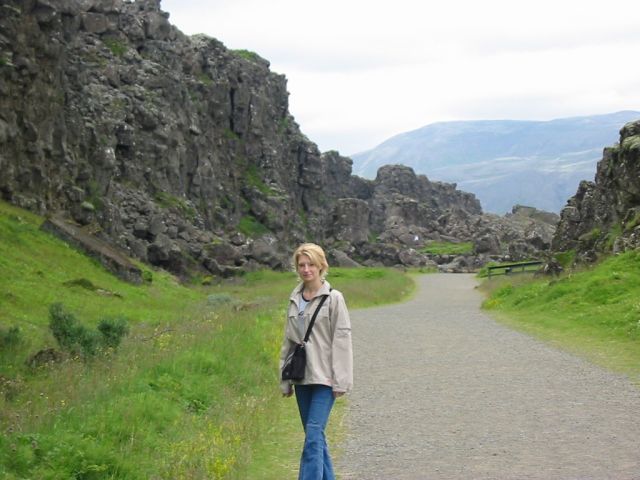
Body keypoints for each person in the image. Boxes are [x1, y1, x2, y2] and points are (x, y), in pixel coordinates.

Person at [279, 243, 353, 480]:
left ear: (321, 266)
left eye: (311, 264)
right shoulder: (294, 299)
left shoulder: (334, 299)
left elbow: (342, 340)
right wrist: (284, 379)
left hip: (325, 379)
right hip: (301, 377)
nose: (306, 269)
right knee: (316, 438)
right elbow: (288, 342)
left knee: (313, 434)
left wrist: (341, 381)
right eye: (302, 265)